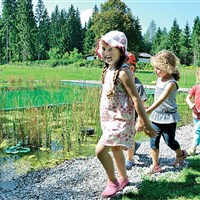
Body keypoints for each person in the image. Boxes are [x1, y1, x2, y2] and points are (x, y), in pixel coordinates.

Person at [95, 30, 156, 198]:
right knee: (115, 149)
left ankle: (112, 182)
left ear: (120, 50)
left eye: (110, 49)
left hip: (120, 119)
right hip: (109, 118)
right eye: (103, 49)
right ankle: (123, 178)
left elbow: (136, 98)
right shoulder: (108, 68)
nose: (106, 53)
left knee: (100, 151)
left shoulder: (124, 71)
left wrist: (146, 123)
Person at [146, 50, 188, 174]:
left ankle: (180, 154)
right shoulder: (160, 79)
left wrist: (148, 110)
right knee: (153, 140)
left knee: (170, 141)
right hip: (156, 116)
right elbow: (156, 97)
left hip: (168, 117)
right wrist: (149, 107)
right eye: (154, 68)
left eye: (158, 68)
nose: (155, 70)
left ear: (168, 67)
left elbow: (161, 99)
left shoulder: (171, 83)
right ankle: (155, 165)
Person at [125, 52, 148, 170]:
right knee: (124, 140)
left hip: (133, 117)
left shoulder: (138, 85)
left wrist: (140, 120)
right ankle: (135, 145)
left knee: (129, 138)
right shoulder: (121, 82)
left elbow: (142, 105)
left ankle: (129, 160)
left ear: (132, 68)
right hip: (122, 116)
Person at [185, 68, 200, 156]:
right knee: (198, 129)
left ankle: (193, 147)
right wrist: (190, 104)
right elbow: (187, 98)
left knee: (197, 130)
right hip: (196, 114)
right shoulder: (195, 88)